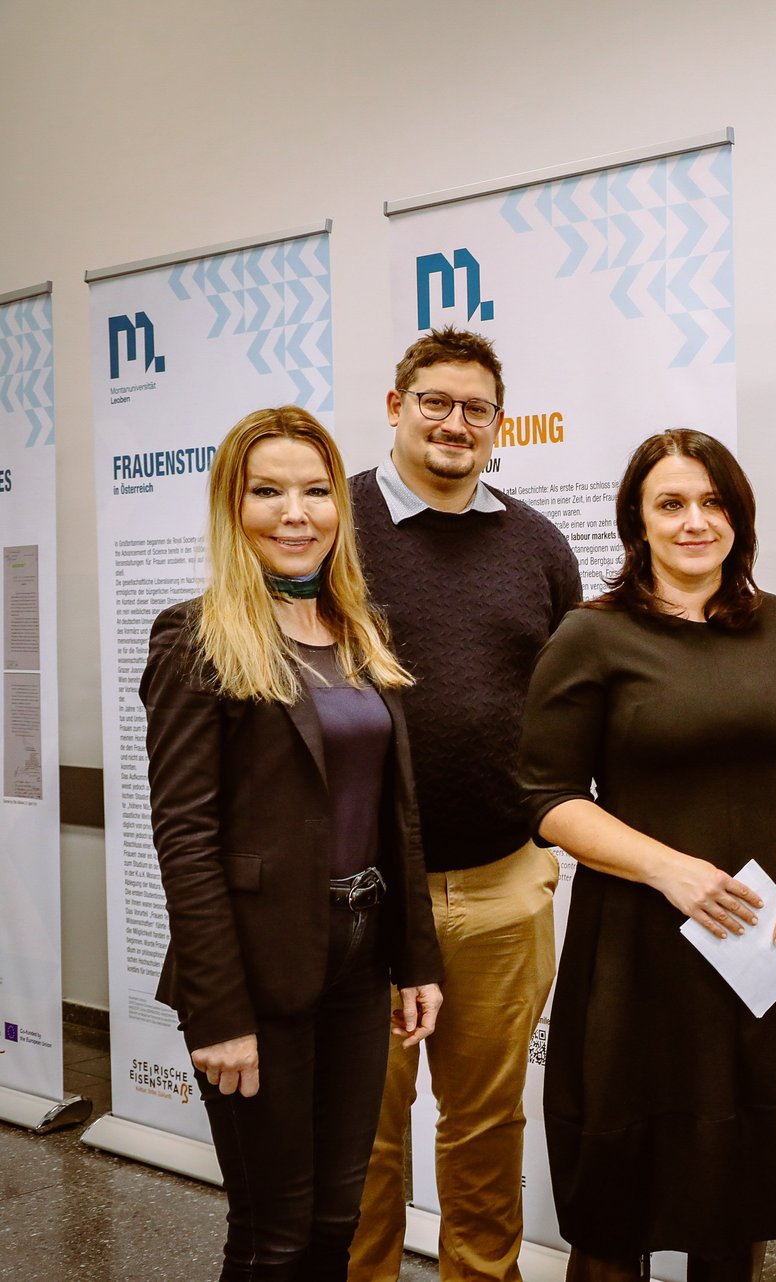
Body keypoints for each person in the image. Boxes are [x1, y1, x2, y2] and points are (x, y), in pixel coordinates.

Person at [519, 429, 776, 1282]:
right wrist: (667, 869)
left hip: (761, 946)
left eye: (713, 503)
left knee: (740, 1180)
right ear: (638, 519)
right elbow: (547, 799)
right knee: (616, 1198)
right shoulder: (591, 636)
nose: (694, 521)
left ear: (738, 517)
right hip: (640, 952)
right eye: (671, 503)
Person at [142, 407, 443, 1281]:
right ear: (232, 507)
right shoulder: (195, 638)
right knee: (272, 1233)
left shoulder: (357, 632)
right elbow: (186, 838)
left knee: (336, 1218)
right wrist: (222, 1014)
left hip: (356, 964)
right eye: (267, 492)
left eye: (315, 491)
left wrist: (415, 958)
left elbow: (398, 816)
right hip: (255, 974)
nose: (296, 512)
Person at [348, 328, 581, 1282]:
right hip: (359, 896)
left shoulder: (537, 544)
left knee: (487, 1124)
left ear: (498, 425)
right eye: (435, 402)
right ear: (396, 407)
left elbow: (574, 700)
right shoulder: (334, 528)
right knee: (361, 1129)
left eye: (475, 408)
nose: (455, 423)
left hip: (499, 886)